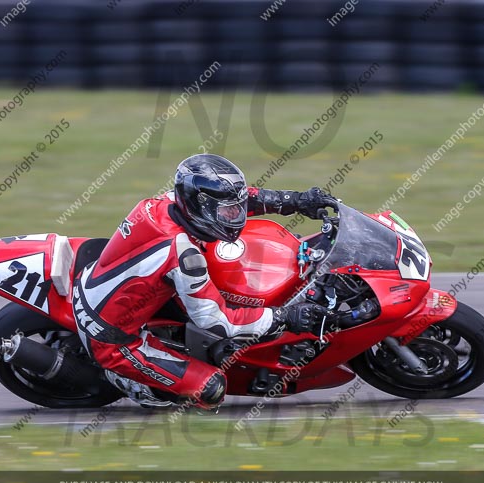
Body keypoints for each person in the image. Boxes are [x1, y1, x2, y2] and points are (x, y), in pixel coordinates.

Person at [72, 154, 337, 409]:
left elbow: (243, 199)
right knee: (212, 388)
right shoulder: (185, 256)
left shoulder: (164, 203)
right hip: (110, 337)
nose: (236, 216)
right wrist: (285, 317)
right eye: (227, 213)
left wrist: (296, 201)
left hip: (100, 283)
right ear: (200, 208)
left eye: (235, 209)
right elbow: (218, 321)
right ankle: (128, 379)